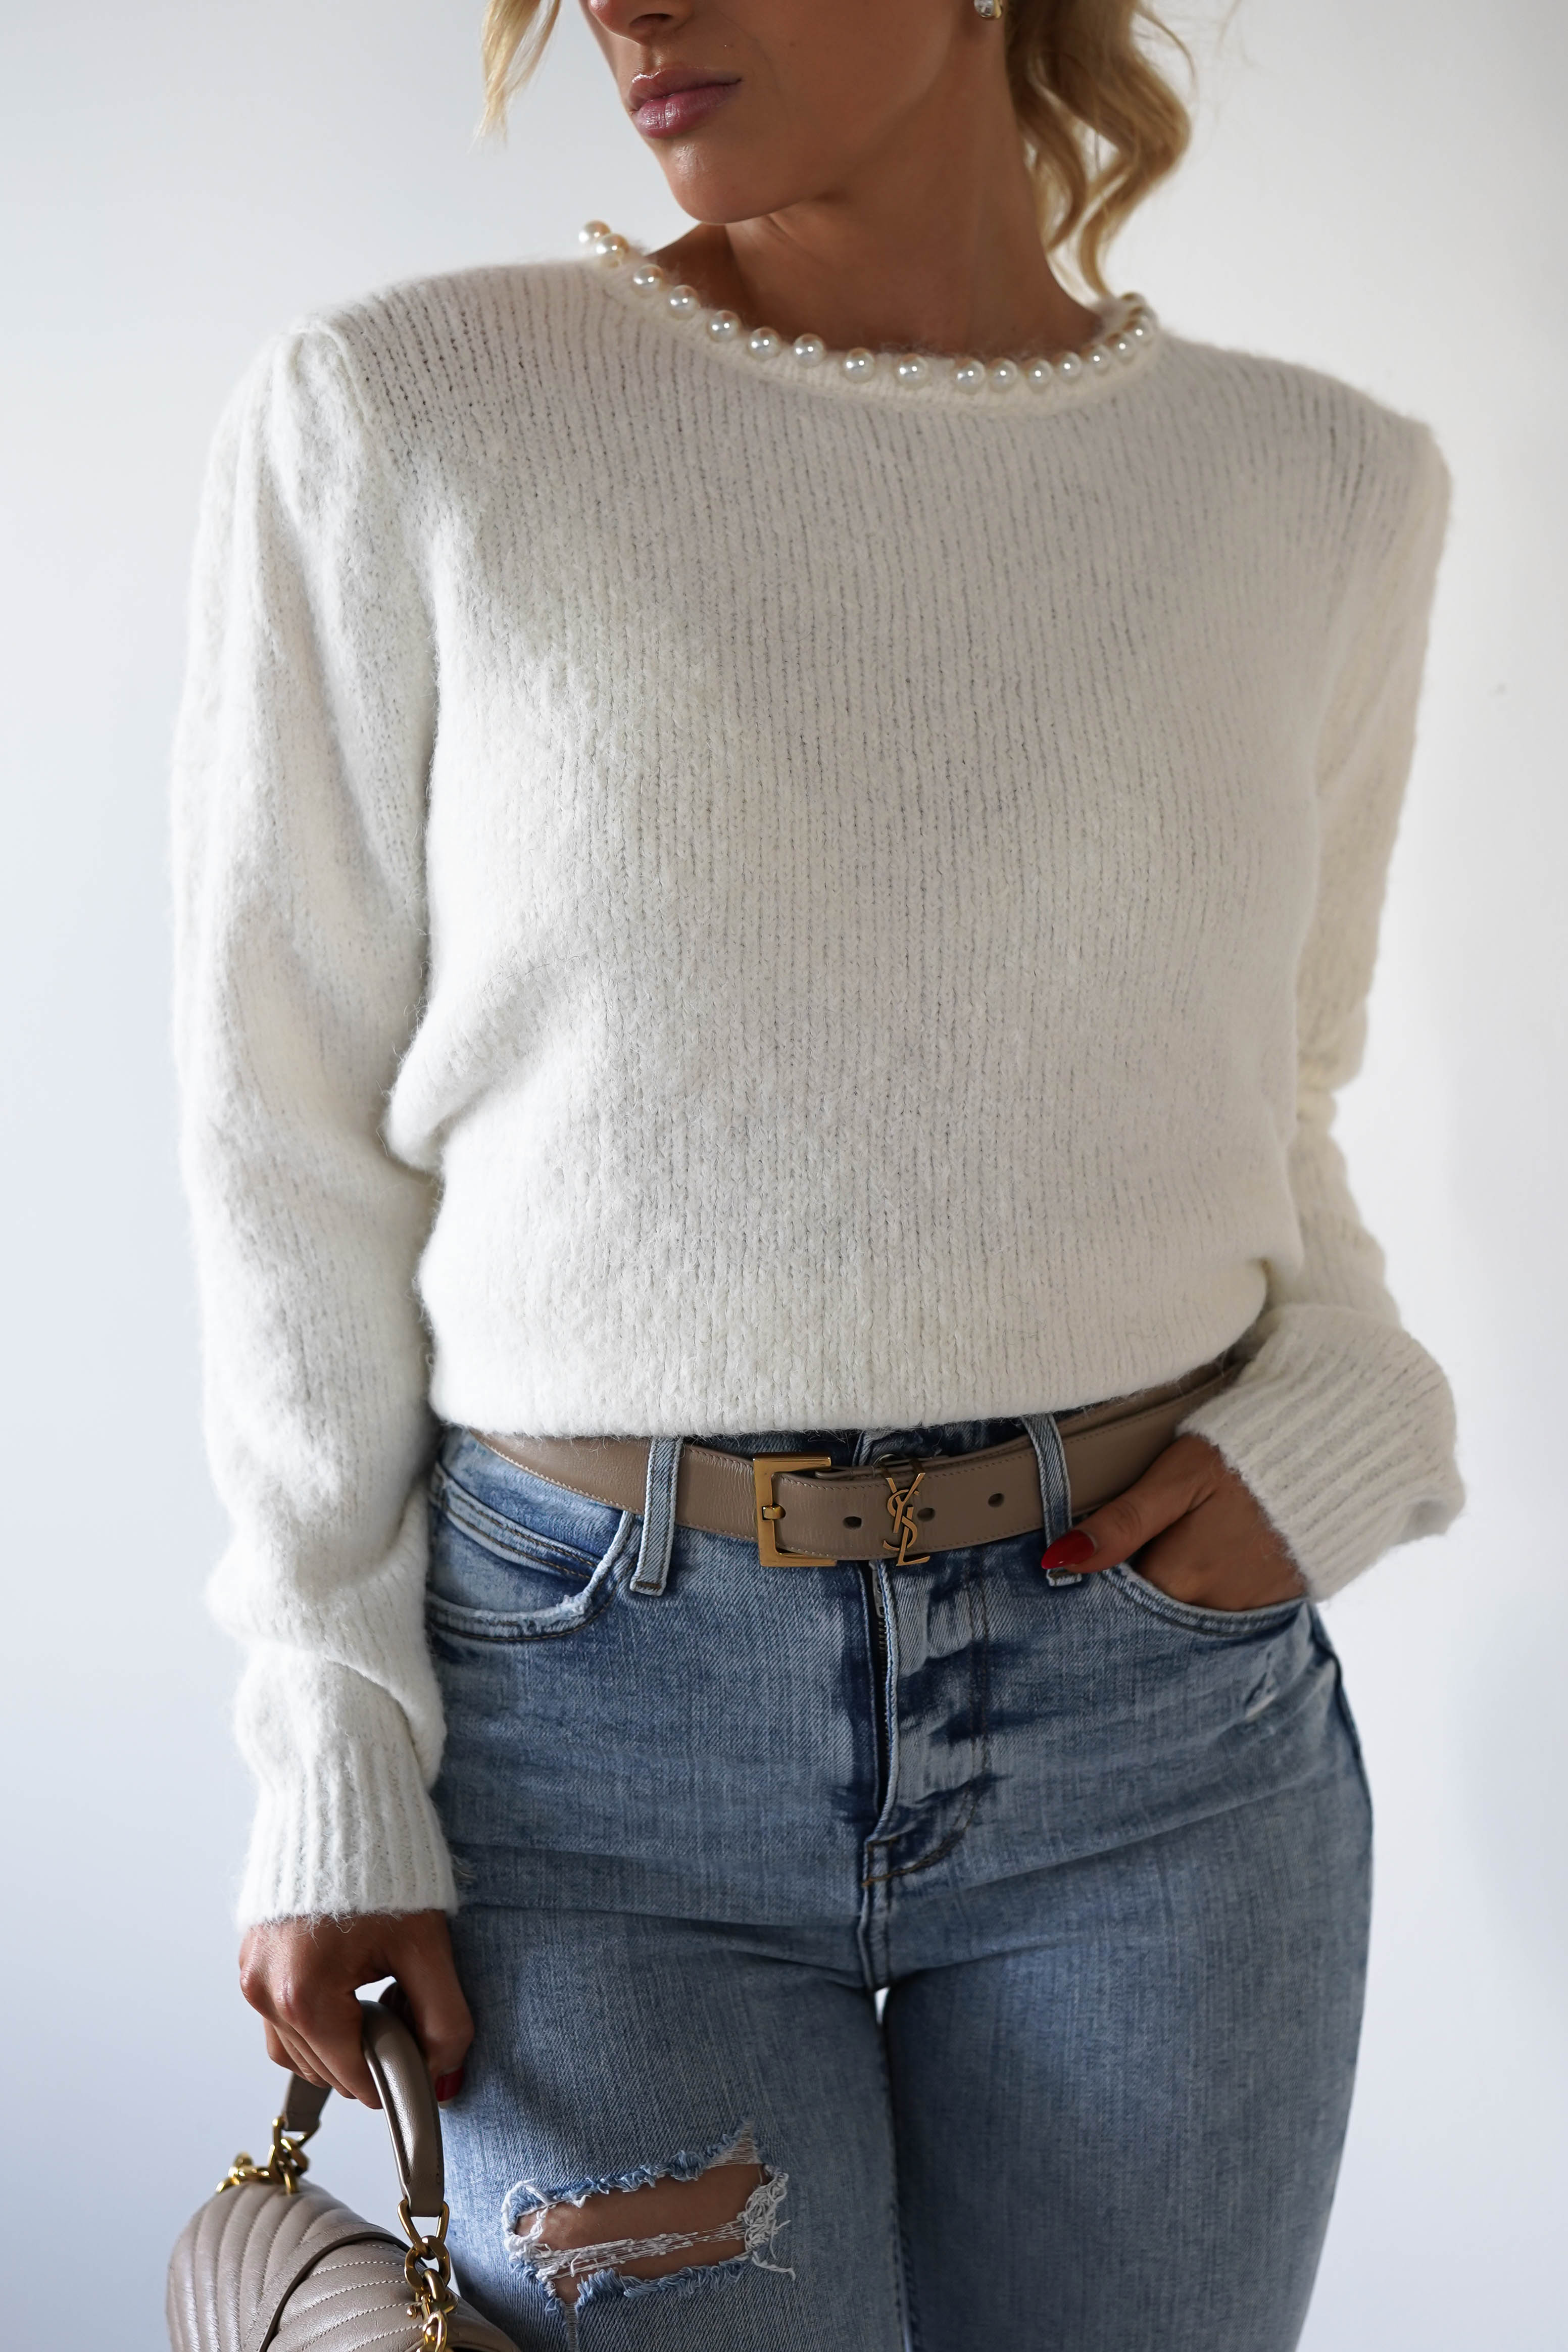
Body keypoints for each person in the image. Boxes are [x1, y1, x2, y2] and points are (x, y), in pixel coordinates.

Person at [172, 0, 1464, 2342]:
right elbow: (286, 1139)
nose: (625, 11)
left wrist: (1362, 1410)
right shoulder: (411, 416)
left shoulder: (1327, 489)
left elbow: (1277, 1083)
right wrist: (331, 1754)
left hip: (1164, 1736)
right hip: (586, 1738)